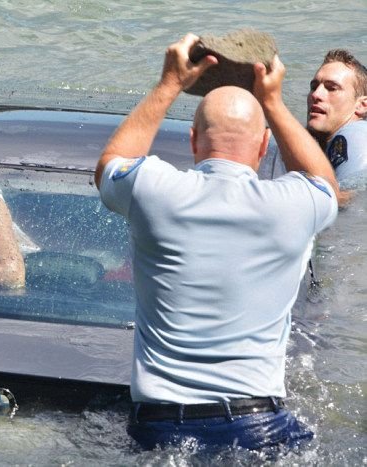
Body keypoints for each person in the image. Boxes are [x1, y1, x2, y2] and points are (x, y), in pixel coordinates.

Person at [95, 34, 339, 451]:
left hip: (160, 426)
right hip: (258, 423)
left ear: (193, 142)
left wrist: (169, 84)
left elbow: (109, 165)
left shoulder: (152, 190)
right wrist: (275, 103)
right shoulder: (294, 205)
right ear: (264, 145)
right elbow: (324, 183)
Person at [307, 49, 367, 182]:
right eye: (314, 86)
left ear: (362, 105)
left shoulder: (356, 135)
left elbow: (349, 198)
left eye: (331, 88)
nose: (316, 94)